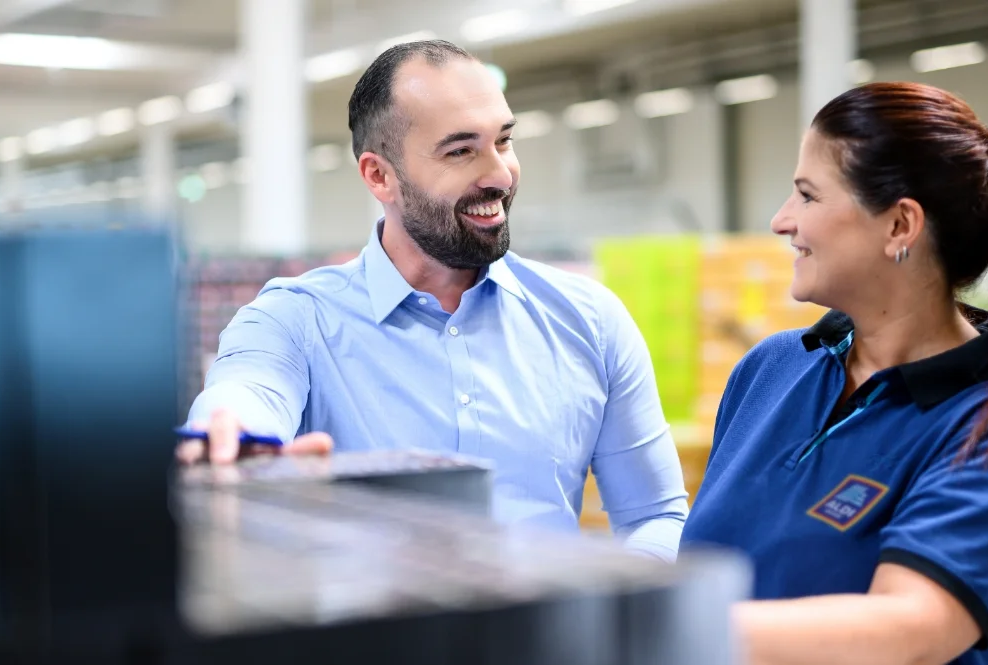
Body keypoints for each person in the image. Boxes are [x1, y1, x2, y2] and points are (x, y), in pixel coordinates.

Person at [176, 40, 689, 561]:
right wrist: (232, 430)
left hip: (546, 638)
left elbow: (655, 515)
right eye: (460, 151)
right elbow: (249, 390)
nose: (499, 174)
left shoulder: (590, 320)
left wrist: (604, 620)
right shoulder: (294, 320)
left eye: (504, 141)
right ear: (379, 176)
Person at [679, 82, 988, 665]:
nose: (782, 221)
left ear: (901, 226)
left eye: (807, 196)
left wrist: (646, 627)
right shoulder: (772, 369)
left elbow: (909, 631)